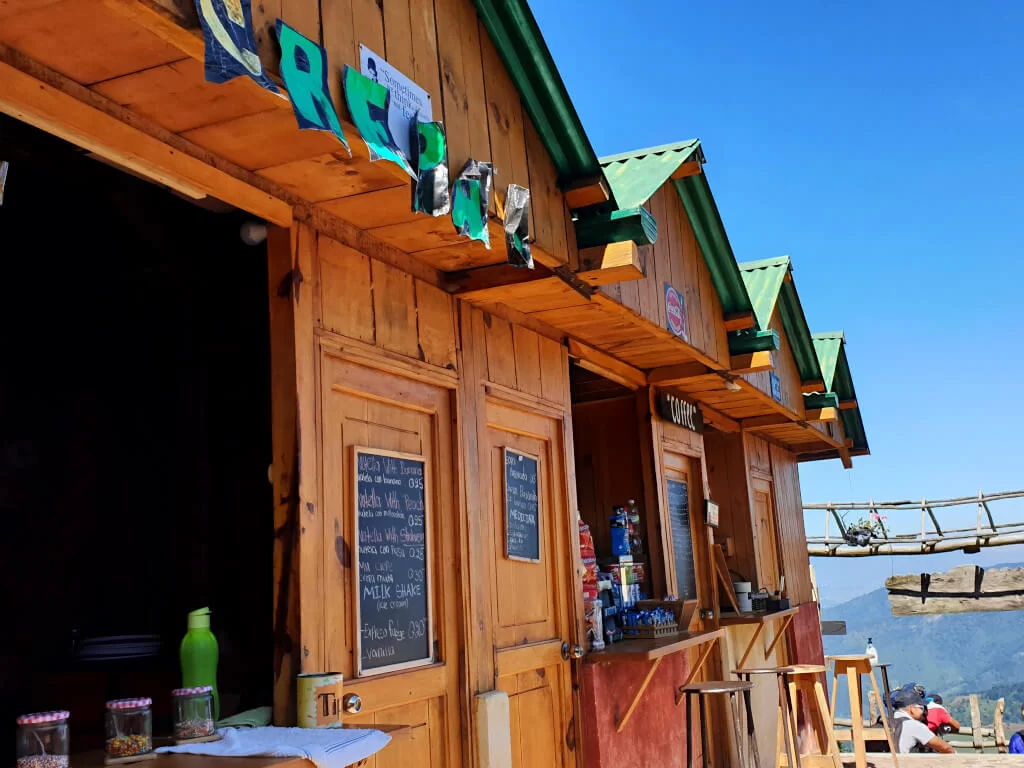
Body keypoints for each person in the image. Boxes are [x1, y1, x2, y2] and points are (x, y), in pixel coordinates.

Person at [892, 689, 955, 754]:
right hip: (901, 763)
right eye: (921, 708)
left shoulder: (886, 721)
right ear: (912, 709)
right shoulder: (914, 725)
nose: (924, 712)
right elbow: (946, 747)